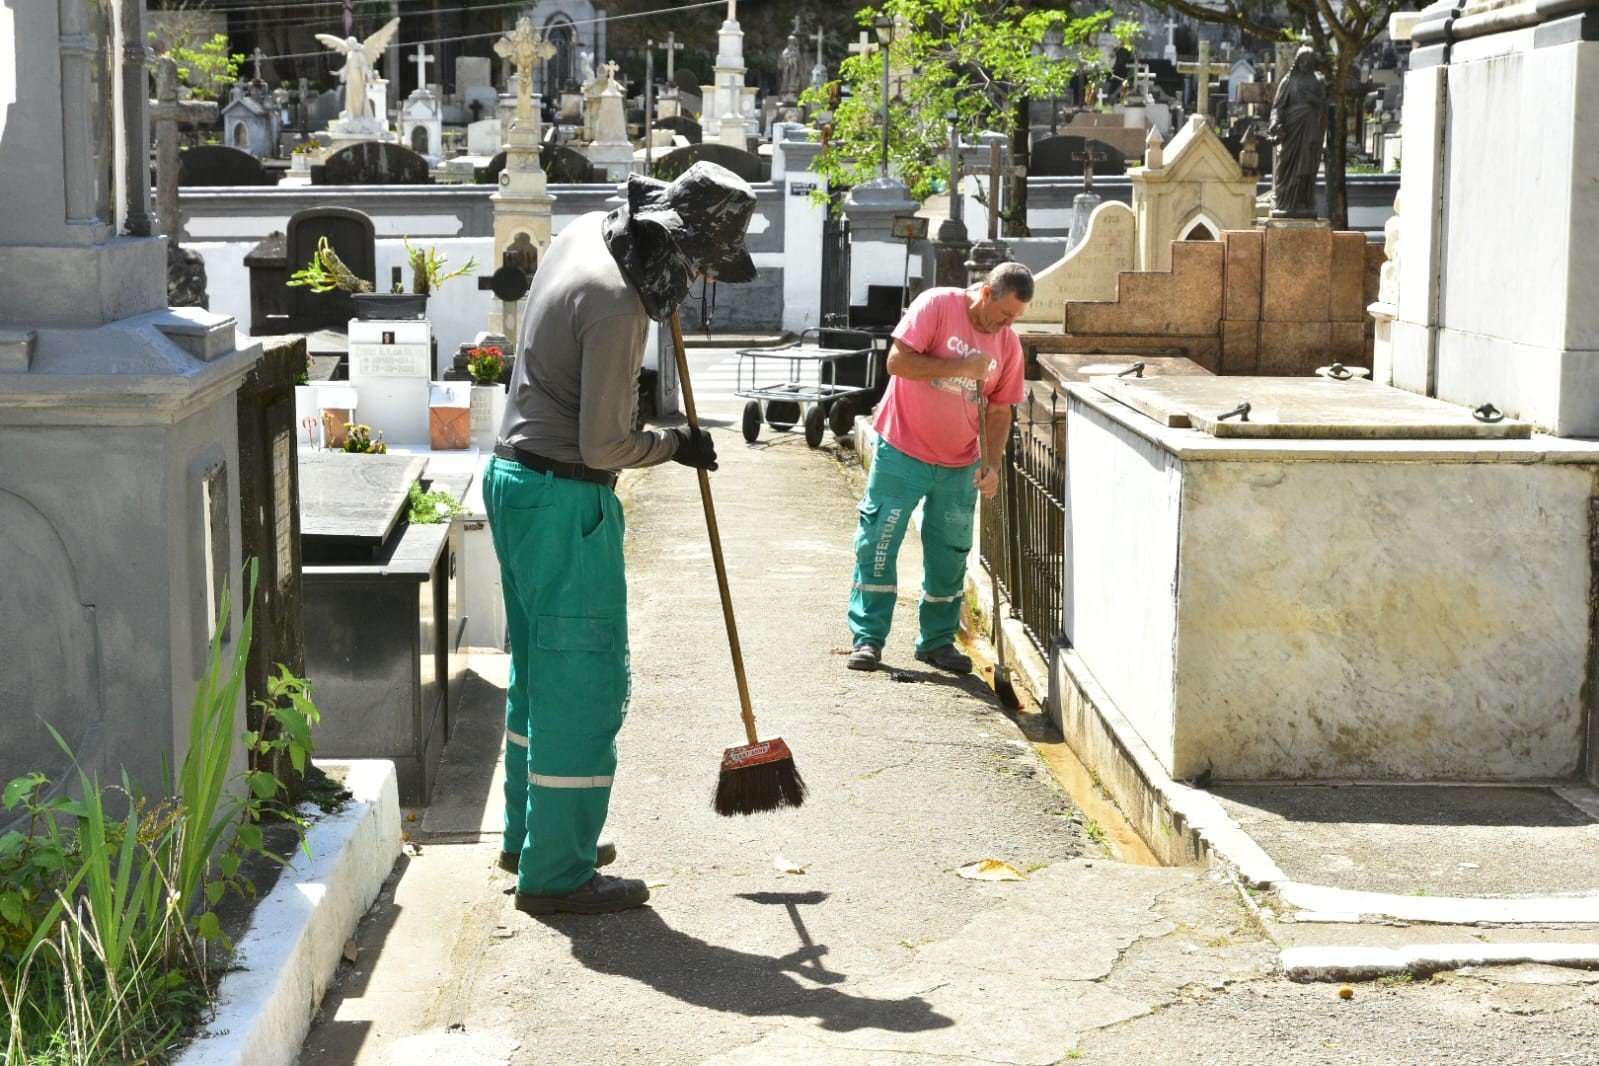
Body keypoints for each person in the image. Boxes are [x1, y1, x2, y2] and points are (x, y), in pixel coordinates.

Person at [486, 161, 757, 915]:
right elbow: (605, 446)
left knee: (539, 675)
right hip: (566, 502)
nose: (699, 283)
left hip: (517, 484)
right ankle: (559, 874)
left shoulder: (584, 235)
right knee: (583, 686)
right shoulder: (615, 305)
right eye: (699, 266)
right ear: (672, 244)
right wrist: (673, 443)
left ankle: (530, 840)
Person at [846, 263, 1033, 674]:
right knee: (879, 541)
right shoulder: (936, 304)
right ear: (986, 293)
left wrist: (993, 464)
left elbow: (1000, 409)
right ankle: (868, 639)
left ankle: (937, 642)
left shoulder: (1009, 344)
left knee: (951, 554)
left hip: (959, 463)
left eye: (1016, 318)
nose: (1007, 323)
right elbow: (898, 362)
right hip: (903, 448)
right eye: (1004, 314)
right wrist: (961, 368)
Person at [1268, 46, 1327, 217]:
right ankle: (1283, 201)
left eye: (1309, 60)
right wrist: (1276, 123)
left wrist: (1313, 100)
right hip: (1291, 130)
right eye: (1303, 59)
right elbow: (1277, 107)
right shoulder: (1288, 81)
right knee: (1285, 164)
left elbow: (1324, 106)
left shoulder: (1317, 82)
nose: (1306, 63)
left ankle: (1303, 202)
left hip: (1310, 130)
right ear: (1297, 60)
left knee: (1307, 166)